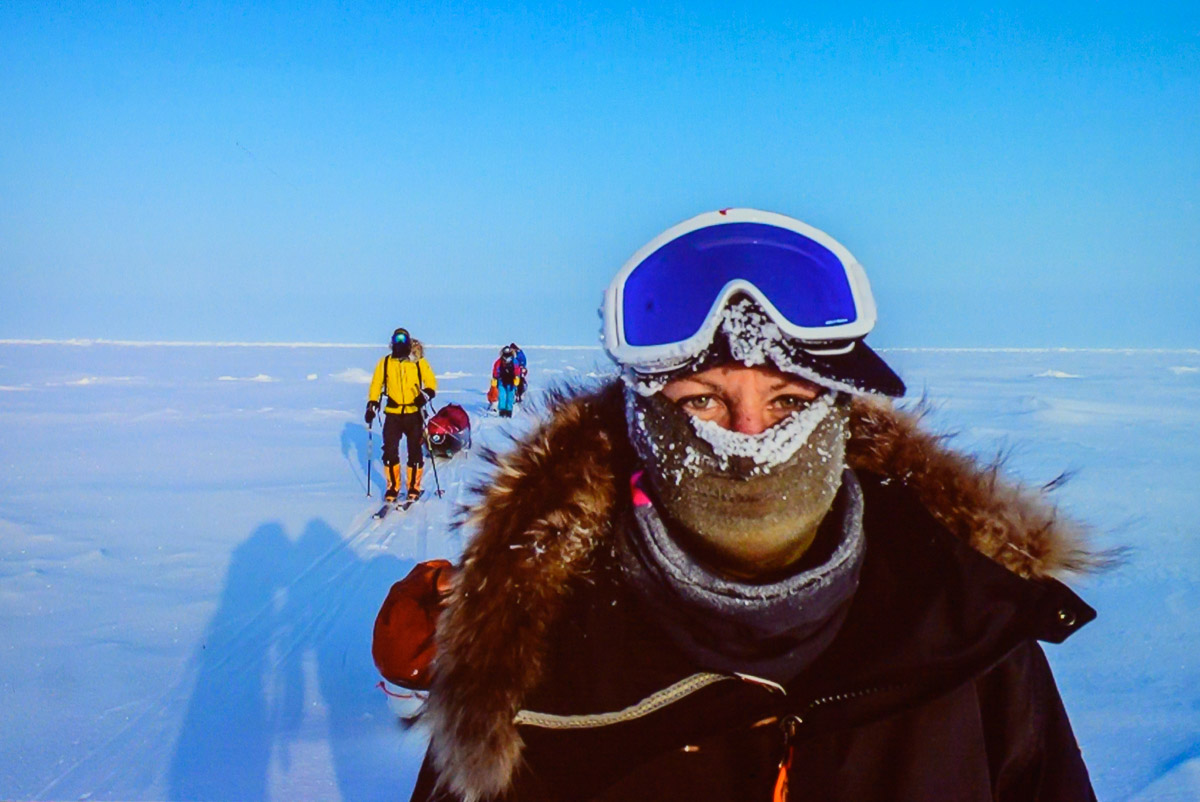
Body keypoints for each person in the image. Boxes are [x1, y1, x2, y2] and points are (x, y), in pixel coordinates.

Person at [411, 210, 1098, 801]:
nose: (747, 439)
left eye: (790, 403)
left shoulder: (964, 628)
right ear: (642, 421)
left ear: (840, 415)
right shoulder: (530, 663)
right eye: (701, 401)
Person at [365, 327, 438, 503]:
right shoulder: (385, 363)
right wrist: (372, 405)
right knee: (389, 451)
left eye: (402, 339)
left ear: (407, 341)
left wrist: (425, 395)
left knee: (414, 451)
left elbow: (431, 383)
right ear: (392, 342)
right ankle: (393, 487)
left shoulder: (418, 362)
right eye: (396, 340)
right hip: (393, 414)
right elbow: (376, 384)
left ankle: (414, 487)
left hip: (414, 414)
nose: (399, 343)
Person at [490, 346, 521, 418]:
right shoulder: (498, 362)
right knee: (502, 396)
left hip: (511, 382)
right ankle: (502, 412)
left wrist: (517, 379)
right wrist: (494, 381)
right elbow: (495, 372)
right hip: (501, 381)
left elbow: (517, 371)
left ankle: (509, 412)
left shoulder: (515, 362)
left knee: (510, 397)